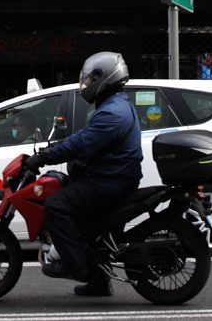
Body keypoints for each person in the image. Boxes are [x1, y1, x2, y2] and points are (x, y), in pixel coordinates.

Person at [25, 51, 143, 297]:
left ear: (104, 79)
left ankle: (75, 265)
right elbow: (86, 140)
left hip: (110, 182)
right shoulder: (115, 105)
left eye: (89, 80)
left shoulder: (111, 113)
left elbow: (81, 143)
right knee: (76, 208)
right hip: (112, 176)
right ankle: (98, 281)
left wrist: (46, 155)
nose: (85, 86)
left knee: (56, 206)